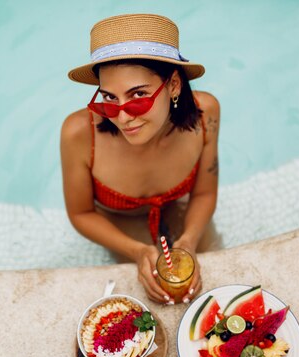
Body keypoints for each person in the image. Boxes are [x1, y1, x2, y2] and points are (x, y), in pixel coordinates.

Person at [61, 14, 220, 305]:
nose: (123, 117)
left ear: (173, 85)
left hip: (180, 208)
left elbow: (206, 191)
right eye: (109, 98)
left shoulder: (205, 113)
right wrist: (137, 250)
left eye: (138, 96)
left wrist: (189, 241)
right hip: (119, 221)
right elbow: (81, 213)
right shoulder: (79, 133)